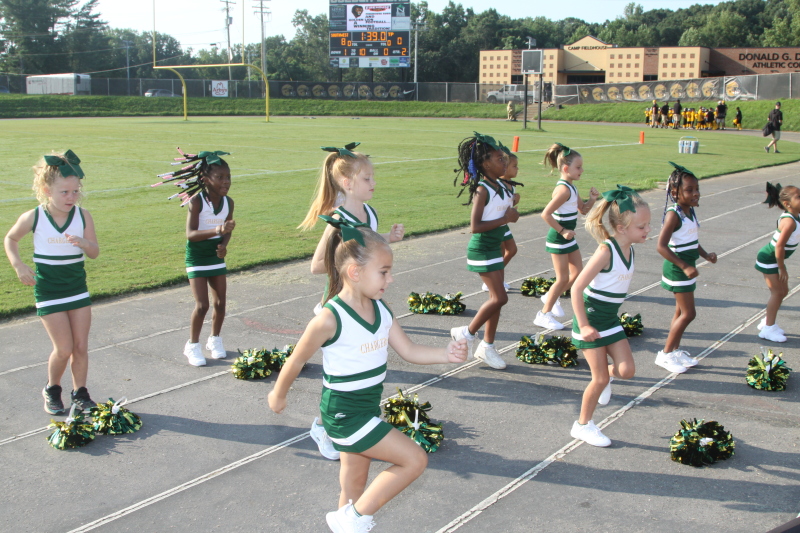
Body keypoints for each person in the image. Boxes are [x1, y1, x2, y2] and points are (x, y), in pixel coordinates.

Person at [267, 220, 467, 533]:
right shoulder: (330, 318)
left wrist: (446, 354)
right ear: (355, 273)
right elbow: (296, 359)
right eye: (384, 271)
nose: (391, 277)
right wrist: (278, 395)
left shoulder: (382, 309)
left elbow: (410, 350)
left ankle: (348, 518)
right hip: (344, 414)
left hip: (366, 409)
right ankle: (354, 520)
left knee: (354, 488)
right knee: (414, 460)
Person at [299, 142, 405, 461]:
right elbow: (317, 265)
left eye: (373, 178)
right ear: (347, 183)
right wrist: (350, 265)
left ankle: (338, 423)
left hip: (361, 306)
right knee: (343, 375)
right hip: (339, 310)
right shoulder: (338, 217)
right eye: (367, 179)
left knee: (360, 370)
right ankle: (324, 426)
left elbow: (364, 246)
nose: (374, 184)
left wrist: (386, 238)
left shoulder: (368, 212)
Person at [4, 150, 100, 414]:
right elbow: (10, 239)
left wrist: (84, 243)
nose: (71, 197)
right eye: (64, 192)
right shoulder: (34, 216)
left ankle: (80, 393)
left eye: (75, 191)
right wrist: (19, 265)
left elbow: (94, 252)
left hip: (77, 289)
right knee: (64, 348)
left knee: (80, 346)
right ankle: (52, 388)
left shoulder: (83, 216)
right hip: (49, 291)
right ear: (47, 190)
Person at [570, 185, 651, 447]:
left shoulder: (631, 249)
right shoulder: (606, 251)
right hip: (590, 320)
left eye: (648, 225)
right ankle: (582, 425)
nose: (647, 230)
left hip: (610, 321)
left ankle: (604, 373)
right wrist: (582, 325)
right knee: (600, 379)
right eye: (642, 227)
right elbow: (577, 288)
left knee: (626, 371)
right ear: (622, 228)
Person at [153, 150, 235, 367]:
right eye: (220, 177)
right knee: (202, 305)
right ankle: (192, 345)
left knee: (220, 303)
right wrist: (218, 229)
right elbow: (191, 234)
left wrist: (224, 245)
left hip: (215, 256)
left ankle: (215, 340)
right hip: (197, 256)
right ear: (205, 179)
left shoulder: (229, 202)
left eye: (228, 177)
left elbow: (228, 229)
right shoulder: (196, 201)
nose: (225, 181)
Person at [451, 132, 518, 369]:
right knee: (500, 297)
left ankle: (487, 347)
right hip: (482, 249)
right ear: (485, 163)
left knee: (496, 300)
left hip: (494, 247)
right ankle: (467, 333)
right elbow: (475, 226)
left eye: (505, 159)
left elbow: (501, 212)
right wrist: (506, 219)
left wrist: (512, 208)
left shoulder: (500, 185)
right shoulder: (482, 189)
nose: (505, 163)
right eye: (500, 159)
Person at [655, 163, 717, 373]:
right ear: (675, 192)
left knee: (681, 311)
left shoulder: (689, 212)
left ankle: (674, 350)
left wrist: (705, 255)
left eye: (697, 189)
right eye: (689, 190)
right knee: (689, 314)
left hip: (686, 268)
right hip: (677, 270)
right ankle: (665, 354)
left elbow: (691, 241)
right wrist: (683, 265)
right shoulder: (675, 214)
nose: (695, 193)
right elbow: (661, 247)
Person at [537, 143, 599, 330]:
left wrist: (593, 199)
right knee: (563, 278)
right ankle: (543, 314)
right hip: (558, 238)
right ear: (566, 168)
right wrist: (562, 231)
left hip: (568, 238)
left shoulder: (572, 188)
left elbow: (583, 209)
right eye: (578, 167)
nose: (582, 170)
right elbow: (545, 214)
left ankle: (550, 297)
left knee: (577, 273)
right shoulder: (563, 190)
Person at [755, 182, 800, 342]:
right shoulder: (789, 222)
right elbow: (779, 246)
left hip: (776, 258)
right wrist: (782, 268)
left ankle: (767, 320)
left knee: (784, 291)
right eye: (799, 197)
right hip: (769, 258)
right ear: (787, 204)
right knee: (777, 292)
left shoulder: (796, 216)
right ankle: (767, 329)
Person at [482, 149, 523, 292]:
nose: (517, 168)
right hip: (498, 224)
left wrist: (515, 199)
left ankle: (497, 279)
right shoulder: (499, 185)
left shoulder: (510, 185)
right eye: (514, 166)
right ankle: (492, 280)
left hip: (504, 224)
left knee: (510, 250)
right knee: (506, 251)